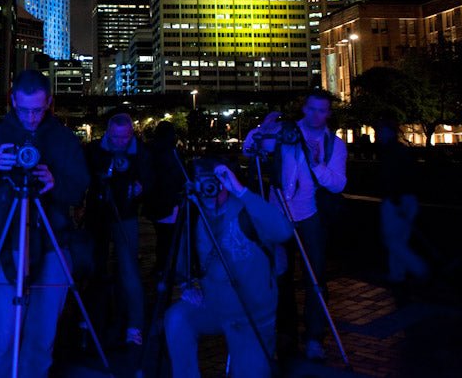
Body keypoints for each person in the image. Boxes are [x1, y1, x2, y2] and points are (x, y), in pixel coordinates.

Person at [0, 69, 89, 378]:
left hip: (52, 242)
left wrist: (55, 182)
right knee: (0, 331)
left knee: (41, 334)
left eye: (38, 109)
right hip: (5, 240)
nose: (32, 117)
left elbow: (80, 190)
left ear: (49, 102)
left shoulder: (62, 138)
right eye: (24, 110)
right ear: (12, 101)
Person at [243, 89, 347, 361]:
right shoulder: (285, 132)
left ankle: (314, 337)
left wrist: (316, 163)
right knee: (280, 276)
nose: (316, 115)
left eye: (322, 110)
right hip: (280, 214)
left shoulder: (334, 144)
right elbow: (248, 149)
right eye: (311, 109)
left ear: (328, 113)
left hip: (311, 216)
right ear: (304, 109)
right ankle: (285, 334)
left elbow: (338, 183)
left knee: (316, 278)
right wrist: (264, 128)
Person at [163, 158, 292, 378]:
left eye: (213, 181)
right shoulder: (194, 214)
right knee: (177, 318)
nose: (208, 188)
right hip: (215, 307)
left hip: (251, 314)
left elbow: (283, 232)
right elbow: (180, 255)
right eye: (201, 181)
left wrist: (240, 190)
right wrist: (185, 284)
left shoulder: (247, 208)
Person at [83, 112, 151, 345]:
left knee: (129, 269)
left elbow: (150, 177)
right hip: (98, 214)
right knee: (95, 267)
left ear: (131, 133)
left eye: (125, 138)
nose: (120, 142)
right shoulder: (95, 150)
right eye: (115, 137)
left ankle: (134, 324)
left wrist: (142, 186)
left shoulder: (140, 151)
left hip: (126, 213)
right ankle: (93, 319)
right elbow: (86, 178)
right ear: (109, 133)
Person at [376, 116, 428, 289]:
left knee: (393, 240)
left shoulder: (390, 152)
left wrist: (397, 201)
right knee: (399, 240)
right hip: (406, 199)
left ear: (388, 132)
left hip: (396, 200)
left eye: (380, 131)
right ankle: (397, 275)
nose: (378, 135)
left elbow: (392, 178)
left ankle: (417, 268)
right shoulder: (400, 151)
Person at [143, 121, 183, 279]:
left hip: (153, 199)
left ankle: (161, 267)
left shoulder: (149, 150)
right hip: (169, 199)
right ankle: (166, 267)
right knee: (168, 238)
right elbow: (179, 177)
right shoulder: (172, 153)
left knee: (161, 236)